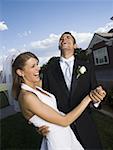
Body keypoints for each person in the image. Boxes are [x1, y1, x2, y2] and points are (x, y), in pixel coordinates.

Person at [12, 52, 106, 150]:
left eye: (37, 64)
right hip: (58, 141)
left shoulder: (37, 87)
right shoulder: (26, 96)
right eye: (33, 66)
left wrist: (97, 92)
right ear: (20, 72)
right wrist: (89, 97)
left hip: (66, 135)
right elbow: (64, 121)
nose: (38, 68)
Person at [39, 32, 105, 149]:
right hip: (61, 128)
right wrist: (42, 124)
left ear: (75, 45)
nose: (64, 39)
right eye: (61, 39)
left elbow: (94, 91)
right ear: (59, 46)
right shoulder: (49, 71)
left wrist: (97, 100)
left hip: (85, 124)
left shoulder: (87, 67)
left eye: (68, 37)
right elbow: (45, 102)